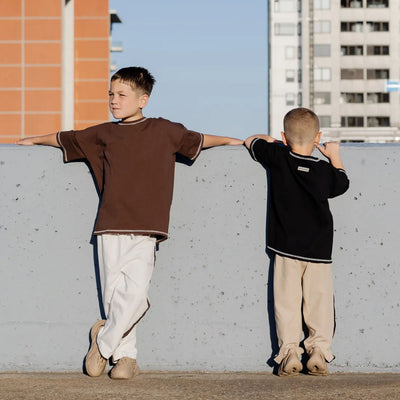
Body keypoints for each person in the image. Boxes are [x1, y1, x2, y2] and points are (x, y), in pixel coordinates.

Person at [17, 66, 243, 379]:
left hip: (148, 228)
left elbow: (199, 140)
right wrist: (32, 141)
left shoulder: (165, 130)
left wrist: (239, 142)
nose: (113, 100)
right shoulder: (103, 134)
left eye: (121, 95)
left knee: (135, 296)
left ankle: (102, 343)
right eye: (111, 94)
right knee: (113, 298)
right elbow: (65, 138)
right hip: (109, 225)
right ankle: (125, 359)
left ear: (143, 100)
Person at [244, 107, 349, 376]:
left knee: (287, 302)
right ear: (318, 138)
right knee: (319, 302)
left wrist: (278, 142)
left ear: (284, 135)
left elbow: (252, 140)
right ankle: (318, 351)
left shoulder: (277, 157)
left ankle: (290, 352)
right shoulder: (324, 171)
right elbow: (342, 184)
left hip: (285, 247)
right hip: (319, 249)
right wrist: (334, 155)